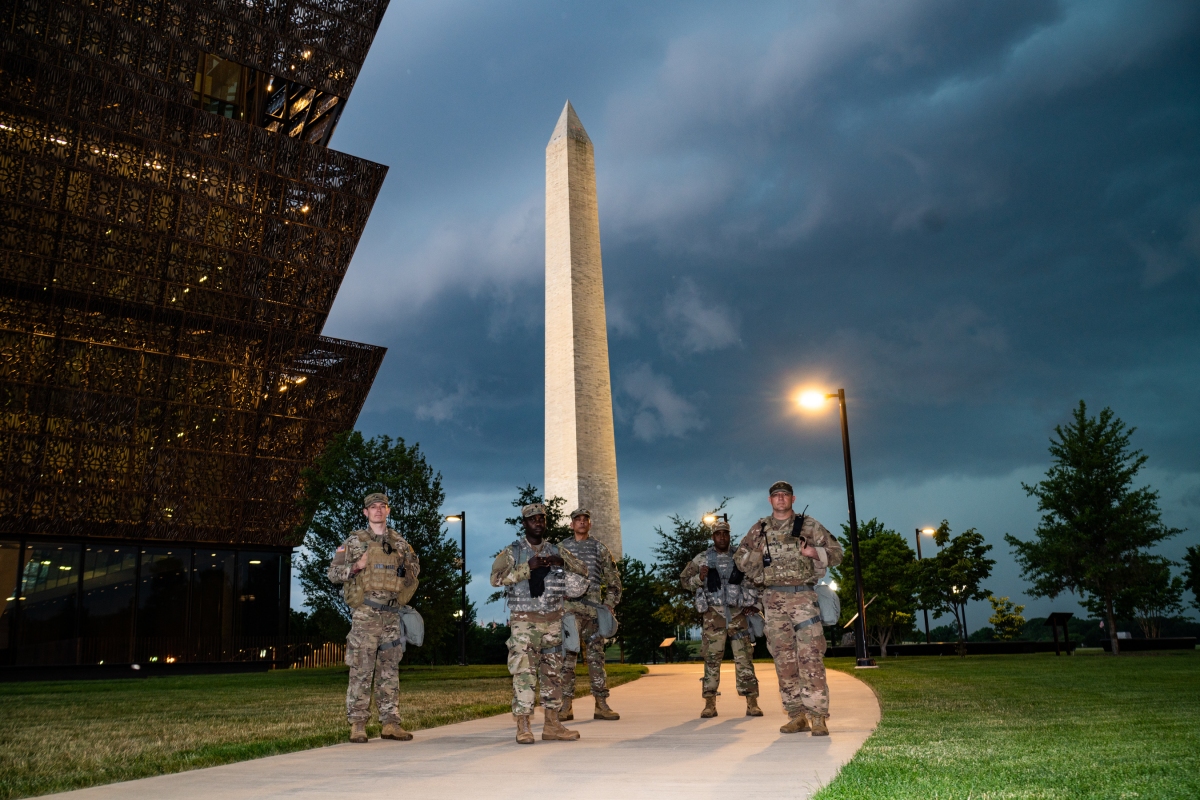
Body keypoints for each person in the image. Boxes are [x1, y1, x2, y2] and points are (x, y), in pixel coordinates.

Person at [734, 481, 843, 736]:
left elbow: (837, 553)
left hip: (803, 597)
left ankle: (818, 716)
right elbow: (740, 561)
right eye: (775, 496)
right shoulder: (759, 530)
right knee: (783, 659)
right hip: (773, 601)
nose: (780, 499)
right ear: (770, 500)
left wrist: (813, 552)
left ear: (793, 499)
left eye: (784, 495)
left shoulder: (809, 526)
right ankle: (796, 715)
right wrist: (757, 555)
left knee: (810, 656)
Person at [490, 502, 589, 744]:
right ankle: (523, 725)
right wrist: (527, 568)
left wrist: (560, 562)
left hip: (553, 620)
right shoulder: (514, 552)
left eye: (542, 519)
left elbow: (583, 571)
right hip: (525, 622)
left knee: (553, 674)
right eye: (533, 519)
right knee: (524, 673)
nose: (538, 522)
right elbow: (495, 578)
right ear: (524, 524)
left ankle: (552, 724)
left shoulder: (556, 550)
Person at [327, 492, 420, 743]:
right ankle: (358, 724)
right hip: (366, 614)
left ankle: (390, 723)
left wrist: (404, 571)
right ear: (365, 512)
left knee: (389, 671)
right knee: (361, 669)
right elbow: (333, 574)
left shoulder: (400, 543)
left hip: (391, 615)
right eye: (373, 507)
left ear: (388, 511)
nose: (378, 510)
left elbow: (413, 573)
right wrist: (357, 565)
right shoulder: (354, 542)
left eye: (382, 506)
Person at [680, 518, 762, 718]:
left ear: (729, 535)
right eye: (718, 534)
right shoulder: (702, 559)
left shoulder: (740, 557)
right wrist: (699, 578)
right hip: (713, 617)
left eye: (725, 533)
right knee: (711, 659)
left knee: (744, 660)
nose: (722, 537)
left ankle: (752, 702)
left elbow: (756, 580)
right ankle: (710, 703)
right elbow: (684, 581)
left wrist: (754, 604)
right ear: (713, 537)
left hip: (738, 614)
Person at [559, 507, 623, 721]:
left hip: (594, 612)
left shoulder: (599, 548)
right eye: (577, 519)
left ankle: (601, 704)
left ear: (590, 523)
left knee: (596, 659)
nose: (581, 522)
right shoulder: (562, 549)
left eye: (585, 519)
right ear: (571, 524)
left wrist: (610, 604)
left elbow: (613, 579)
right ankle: (565, 705)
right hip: (570, 612)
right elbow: (552, 579)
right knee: (568, 658)